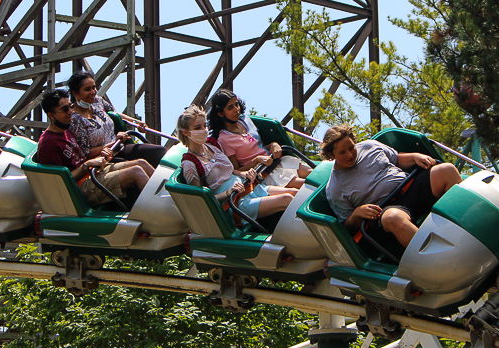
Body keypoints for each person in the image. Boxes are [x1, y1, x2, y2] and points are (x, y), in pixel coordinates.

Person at [321, 124, 463, 248]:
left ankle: (467, 226)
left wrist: (415, 156)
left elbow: (396, 158)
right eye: (342, 152)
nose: (350, 154)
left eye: (352, 147)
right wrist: (357, 213)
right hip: (388, 209)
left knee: (447, 170)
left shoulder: (369, 146)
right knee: (392, 218)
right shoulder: (334, 189)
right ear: (330, 154)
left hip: (410, 186)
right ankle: (437, 256)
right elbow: (348, 226)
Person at [177, 105, 297, 221]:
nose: (204, 130)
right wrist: (228, 193)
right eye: (198, 128)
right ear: (186, 133)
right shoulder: (190, 164)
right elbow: (200, 201)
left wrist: (243, 174)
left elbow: (229, 170)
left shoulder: (212, 145)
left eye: (204, 126)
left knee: (295, 193)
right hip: (233, 203)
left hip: (248, 187)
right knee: (286, 199)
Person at [36, 89, 154, 207]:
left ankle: (168, 197)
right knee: (136, 172)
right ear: (51, 115)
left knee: (141, 163)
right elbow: (57, 184)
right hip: (81, 186)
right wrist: (85, 166)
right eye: (65, 109)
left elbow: (85, 153)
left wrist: (106, 149)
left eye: (70, 106)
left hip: (93, 171)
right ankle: (158, 210)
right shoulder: (49, 143)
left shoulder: (66, 129)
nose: (71, 112)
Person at [207, 90, 311, 189]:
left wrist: (273, 145)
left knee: (314, 174)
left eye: (236, 104)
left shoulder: (244, 122)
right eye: (230, 108)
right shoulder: (224, 139)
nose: (236, 109)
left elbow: (261, 146)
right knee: (307, 185)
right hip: (264, 172)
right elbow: (236, 170)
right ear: (220, 113)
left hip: (275, 162)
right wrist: (256, 160)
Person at [67, 71, 167, 169]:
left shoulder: (97, 101)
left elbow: (114, 114)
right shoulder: (75, 120)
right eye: (87, 89)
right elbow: (86, 153)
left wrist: (135, 122)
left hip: (119, 148)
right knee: (138, 167)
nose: (93, 92)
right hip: (104, 157)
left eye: (94, 87)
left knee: (158, 152)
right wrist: (113, 142)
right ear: (75, 93)